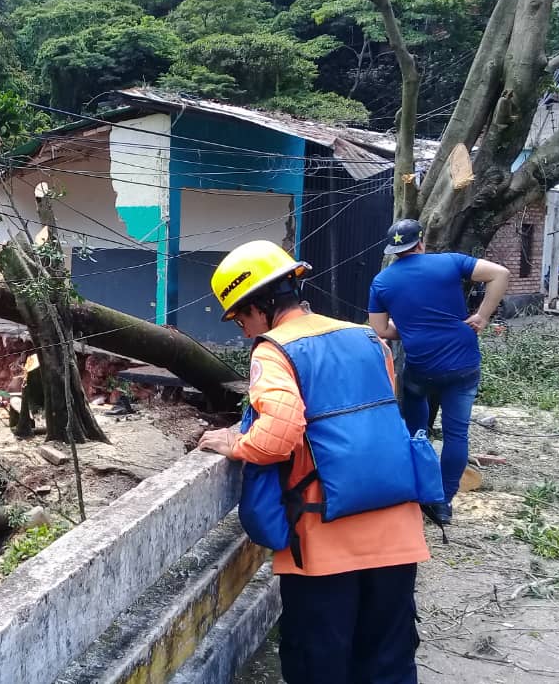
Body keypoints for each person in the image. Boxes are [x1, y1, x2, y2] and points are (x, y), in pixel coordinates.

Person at [199, 241, 429, 684]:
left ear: (260, 305)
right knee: (388, 660)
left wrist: (236, 442)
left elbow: (278, 436)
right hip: (398, 528)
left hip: (325, 540)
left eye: (242, 317)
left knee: (317, 663)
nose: (245, 331)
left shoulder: (274, 351)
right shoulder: (367, 338)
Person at [368, 219, 510, 526]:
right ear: (421, 242)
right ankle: (444, 504)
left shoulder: (382, 282)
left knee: (417, 431)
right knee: (456, 434)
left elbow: (379, 329)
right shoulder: (450, 262)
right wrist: (482, 316)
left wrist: (408, 328)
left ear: (393, 250)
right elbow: (501, 274)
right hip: (463, 363)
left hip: (422, 368)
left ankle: (421, 494)